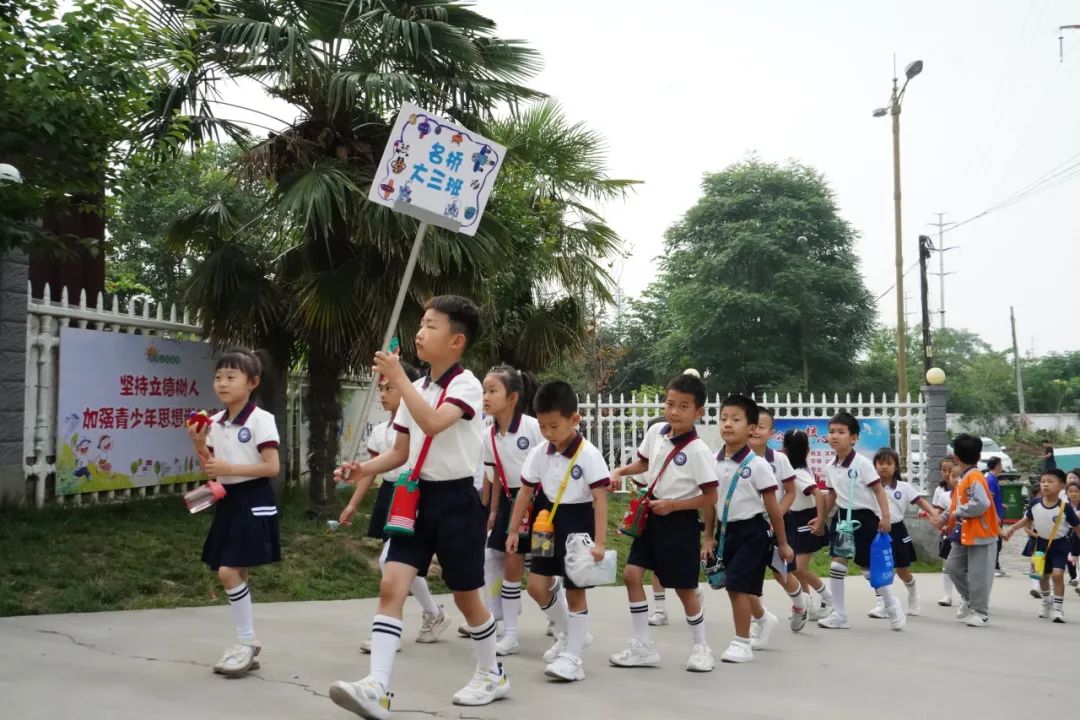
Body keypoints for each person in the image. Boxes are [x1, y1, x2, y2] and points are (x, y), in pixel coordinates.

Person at [330, 296, 507, 718]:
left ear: (456, 340)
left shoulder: (465, 385)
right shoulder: (420, 387)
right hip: (413, 498)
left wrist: (399, 379)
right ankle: (377, 686)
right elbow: (402, 450)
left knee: (468, 598)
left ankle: (492, 673)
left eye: (431, 325)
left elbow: (432, 423)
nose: (420, 332)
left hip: (457, 502)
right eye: (421, 324)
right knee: (392, 584)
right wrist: (362, 468)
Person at [608, 373, 719, 672]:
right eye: (670, 403)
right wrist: (620, 471)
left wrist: (673, 505)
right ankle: (643, 645)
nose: (674, 412)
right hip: (651, 517)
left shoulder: (699, 451)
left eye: (684, 406)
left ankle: (701, 647)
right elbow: (644, 463)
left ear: (698, 413)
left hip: (679, 522)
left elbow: (710, 497)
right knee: (632, 575)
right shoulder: (656, 431)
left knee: (684, 588)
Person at [339, 367, 452, 653]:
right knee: (399, 563)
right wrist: (352, 504)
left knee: (390, 562)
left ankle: (394, 627)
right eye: (382, 389)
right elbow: (369, 472)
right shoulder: (380, 431)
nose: (383, 394)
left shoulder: (420, 426)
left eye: (390, 388)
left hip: (412, 494)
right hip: (390, 495)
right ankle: (432, 614)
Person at [506, 380, 610, 682]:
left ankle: (573, 658)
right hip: (544, 519)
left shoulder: (589, 455)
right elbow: (525, 491)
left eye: (554, 426)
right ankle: (569, 633)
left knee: (575, 591)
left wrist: (600, 542)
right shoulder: (540, 451)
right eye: (542, 426)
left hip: (577, 522)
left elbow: (600, 500)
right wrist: (514, 530)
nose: (548, 433)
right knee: (537, 585)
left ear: (574, 419)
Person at [186, 349, 282, 676]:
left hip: (253, 498)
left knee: (227, 571)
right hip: (227, 498)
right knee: (234, 571)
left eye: (231, 377)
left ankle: (246, 642)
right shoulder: (212, 422)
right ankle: (247, 644)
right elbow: (211, 471)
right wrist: (199, 443)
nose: (222, 383)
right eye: (218, 377)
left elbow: (272, 467)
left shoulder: (261, 419)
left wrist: (230, 467)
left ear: (252, 382)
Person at [701, 394, 793, 664]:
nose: (728, 424)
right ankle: (763, 618)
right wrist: (708, 536)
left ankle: (741, 642)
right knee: (735, 583)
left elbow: (774, 509)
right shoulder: (712, 461)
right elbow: (709, 502)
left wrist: (783, 543)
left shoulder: (758, 465)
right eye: (724, 419)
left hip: (752, 533)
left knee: (737, 587)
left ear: (752, 428)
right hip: (725, 532)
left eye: (736, 419)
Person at [812, 412, 903, 631]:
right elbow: (831, 495)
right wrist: (822, 519)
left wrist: (885, 517)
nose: (835, 436)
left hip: (865, 518)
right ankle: (840, 615)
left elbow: (879, 491)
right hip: (842, 517)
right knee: (836, 564)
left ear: (854, 438)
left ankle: (891, 604)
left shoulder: (862, 463)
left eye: (841, 432)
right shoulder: (830, 466)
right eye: (831, 432)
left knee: (868, 569)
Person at [478, 364, 545, 656]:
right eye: (484, 391)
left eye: (493, 391)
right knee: (496, 554)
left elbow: (550, 463)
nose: (486, 397)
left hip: (538, 501)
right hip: (507, 501)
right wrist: (492, 512)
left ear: (512, 398)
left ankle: (564, 617)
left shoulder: (532, 427)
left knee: (543, 565)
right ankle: (505, 625)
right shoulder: (488, 436)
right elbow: (493, 477)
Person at [867, 448, 940, 618]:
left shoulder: (904, 487)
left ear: (896, 467)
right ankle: (882, 603)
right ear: (874, 466)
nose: (884, 467)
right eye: (880, 463)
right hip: (876, 531)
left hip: (897, 530)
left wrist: (933, 513)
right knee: (877, 568)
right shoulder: (870, 487)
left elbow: (920, 501)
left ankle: (913, 596)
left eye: (889, 463)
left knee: (902, 570)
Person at [1001, 469, 1080, 622]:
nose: (1046, 485)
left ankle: (1058, 608)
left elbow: (1077, 527)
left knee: (1057, 574)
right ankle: (1046, 601)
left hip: (1060, 544)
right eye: (1043, 481)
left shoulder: (1065, 507)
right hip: (1040, 544)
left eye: (1051, 482)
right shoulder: (1035, 503)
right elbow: (1027, 520)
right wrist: (1011, 528)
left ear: (1061, 486)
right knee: (1041, 575)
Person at [938, 434, 999, 628]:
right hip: (964, 533)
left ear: (955, 457)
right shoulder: (964, 478)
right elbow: (956, 501)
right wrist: (944, 516)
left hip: (981, 533)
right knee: (953, 568)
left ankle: (981, 613)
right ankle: (970, 599)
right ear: (979, 455)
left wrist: (957, 513)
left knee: (979, 575)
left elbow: (981, 502)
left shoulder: (974, 476)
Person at [782, 429, 831, 620]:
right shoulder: (797, 471)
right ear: (808, 450)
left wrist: (820, 519)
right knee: (796, 567)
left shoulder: (798, 474)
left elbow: (818, 494)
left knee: (799, 568)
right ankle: (807, 605)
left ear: (784, 450)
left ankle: (829, 598)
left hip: (806, 520)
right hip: (796, 520)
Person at [932, 459, 958, 606]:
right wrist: (935, 519)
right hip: (948, 534)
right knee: (947, 564)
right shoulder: (944, 495)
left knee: (964, 567)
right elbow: (939, 513)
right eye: (952, 476)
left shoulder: (967, 494)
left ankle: (966, 597)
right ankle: (947, 595)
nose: (955, 478)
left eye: (958, 475)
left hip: (964, 535)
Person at [984, 457, 1008, 577]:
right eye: (1001, 464)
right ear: (997, 465)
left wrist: (1001, 504)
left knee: (997, 542)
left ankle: (996, 565)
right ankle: (993, 567)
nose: (1002, 466)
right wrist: (995, 515)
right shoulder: (991, 479)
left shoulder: (992, 478)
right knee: (995, 542)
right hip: (994, 516)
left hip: (998, 513)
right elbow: (990, 498)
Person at [1067, 480, 1080, 591]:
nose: (1073, 493)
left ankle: (1078, 578)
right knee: (1072, 558)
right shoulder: (1065, 506)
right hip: (1068, 534)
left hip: (1078, 533)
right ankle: (1075, 577)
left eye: (1076, 491)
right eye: (1070, 491)